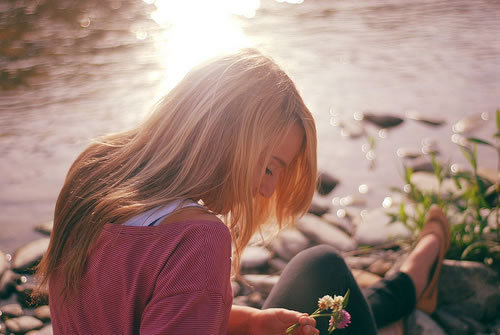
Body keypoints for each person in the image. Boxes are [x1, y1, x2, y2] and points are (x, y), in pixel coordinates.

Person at [36, 48, 450, 334]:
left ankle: (414, 278)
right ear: (229, 138)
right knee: (327, 273)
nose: (266, 189)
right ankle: (416, 275)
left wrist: (249, 323)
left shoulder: (95, 167)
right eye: (270, 167)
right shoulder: (195, 240)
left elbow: (129, 311)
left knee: (322, 296)